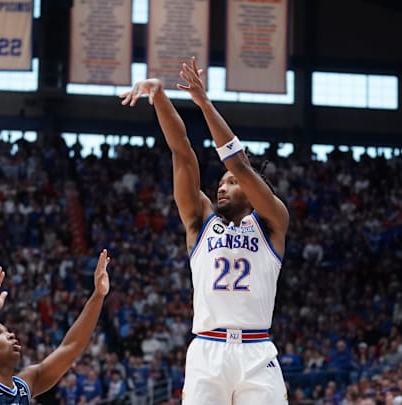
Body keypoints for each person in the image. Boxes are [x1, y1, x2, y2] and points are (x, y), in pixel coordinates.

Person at [120, 57, 290, 404]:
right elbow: (182, 152)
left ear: (255, 189)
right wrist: (160, 97)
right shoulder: (201, 221)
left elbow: (239, 165)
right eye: (221, 183)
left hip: (256, 351)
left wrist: (204, 103)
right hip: (207, 349)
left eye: (231, 184)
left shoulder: (272, 220)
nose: (222, 188)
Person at [0, 249, 111, 405]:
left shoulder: (25, 384)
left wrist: (98, 296)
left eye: (7, 331)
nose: (10, 335)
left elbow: (71, 347)